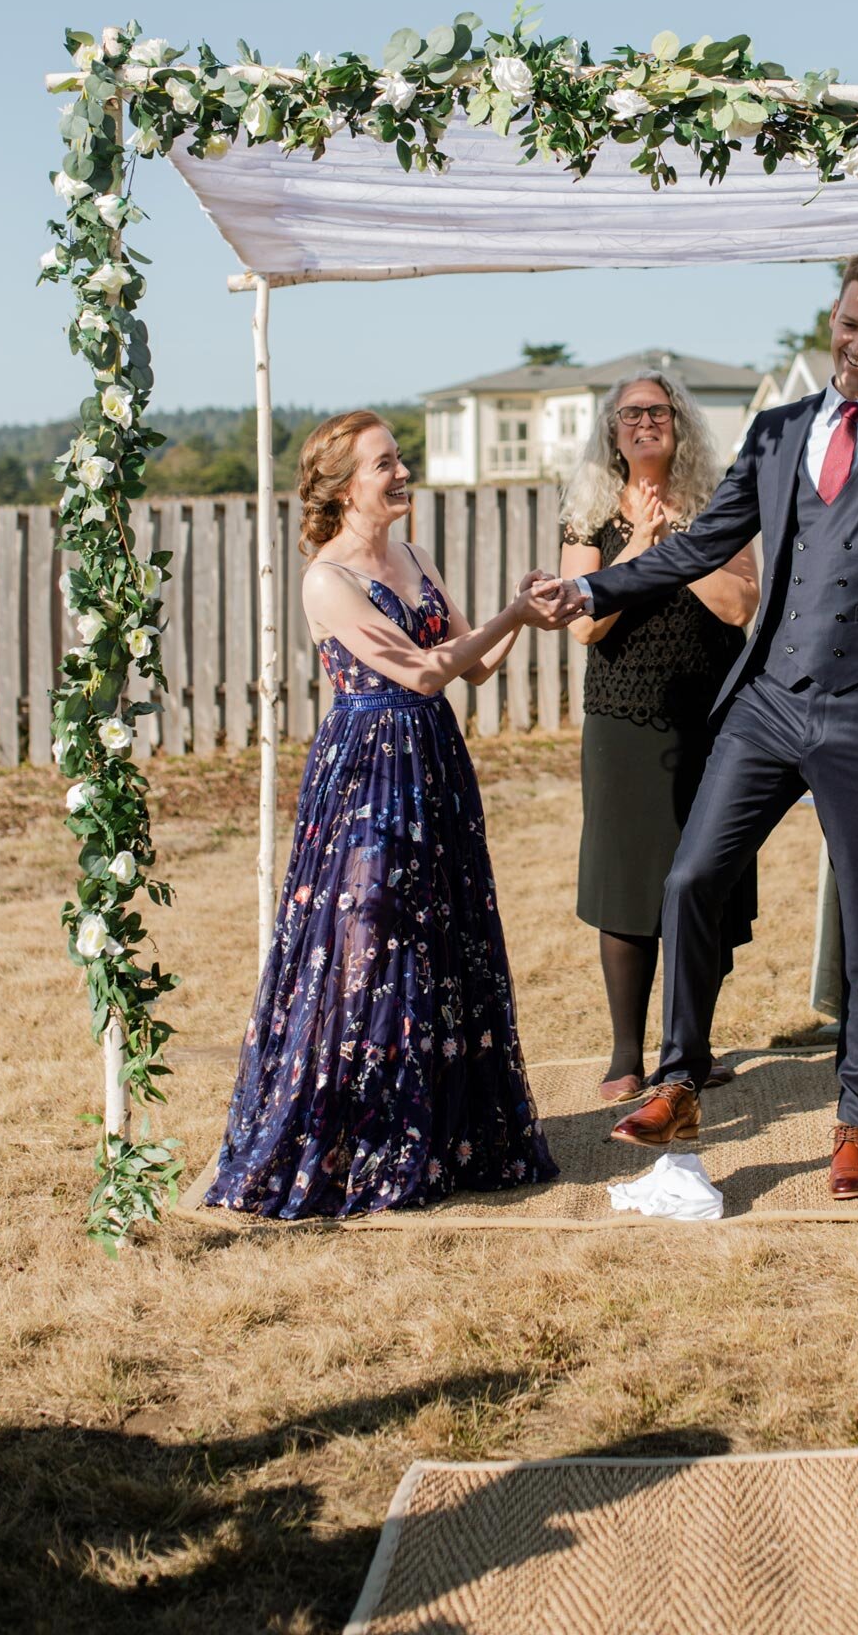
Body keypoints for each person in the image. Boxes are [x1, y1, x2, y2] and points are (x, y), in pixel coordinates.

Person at [534, 180, 858, 1200]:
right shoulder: (776, 433)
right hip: (766, 703)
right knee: (689, 880)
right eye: (850, 324)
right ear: (831, 320)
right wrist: (589, 583)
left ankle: (857, 1119)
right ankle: (678, 1081)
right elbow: (700, 548)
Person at [206, 409, 563, 1218]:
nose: (402, 473)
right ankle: (360, 1134)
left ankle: (440, 1133)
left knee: (442, 935)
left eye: (399, 459)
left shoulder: (412, 554)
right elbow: (425, 673)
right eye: (383, 465)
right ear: (340, 488)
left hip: (434, 764)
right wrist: (507, 622)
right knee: (365, 940)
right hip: (368, 773)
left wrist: (521, 610)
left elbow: (470, 667)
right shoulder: (326, 580)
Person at [559, 366, 760, 1101]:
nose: (645, 422)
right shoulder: (588, 514)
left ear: (680, 422)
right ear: (612, 432)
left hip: (715, 718)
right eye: (630, 413)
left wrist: (679, 536)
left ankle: (692, 1050)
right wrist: (639, 544)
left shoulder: (717, 505)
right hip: (623, 718)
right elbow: (585, 622)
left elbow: (739, 605)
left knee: (707, 879)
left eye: (659, 410)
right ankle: (624, 1055)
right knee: (626, 884)